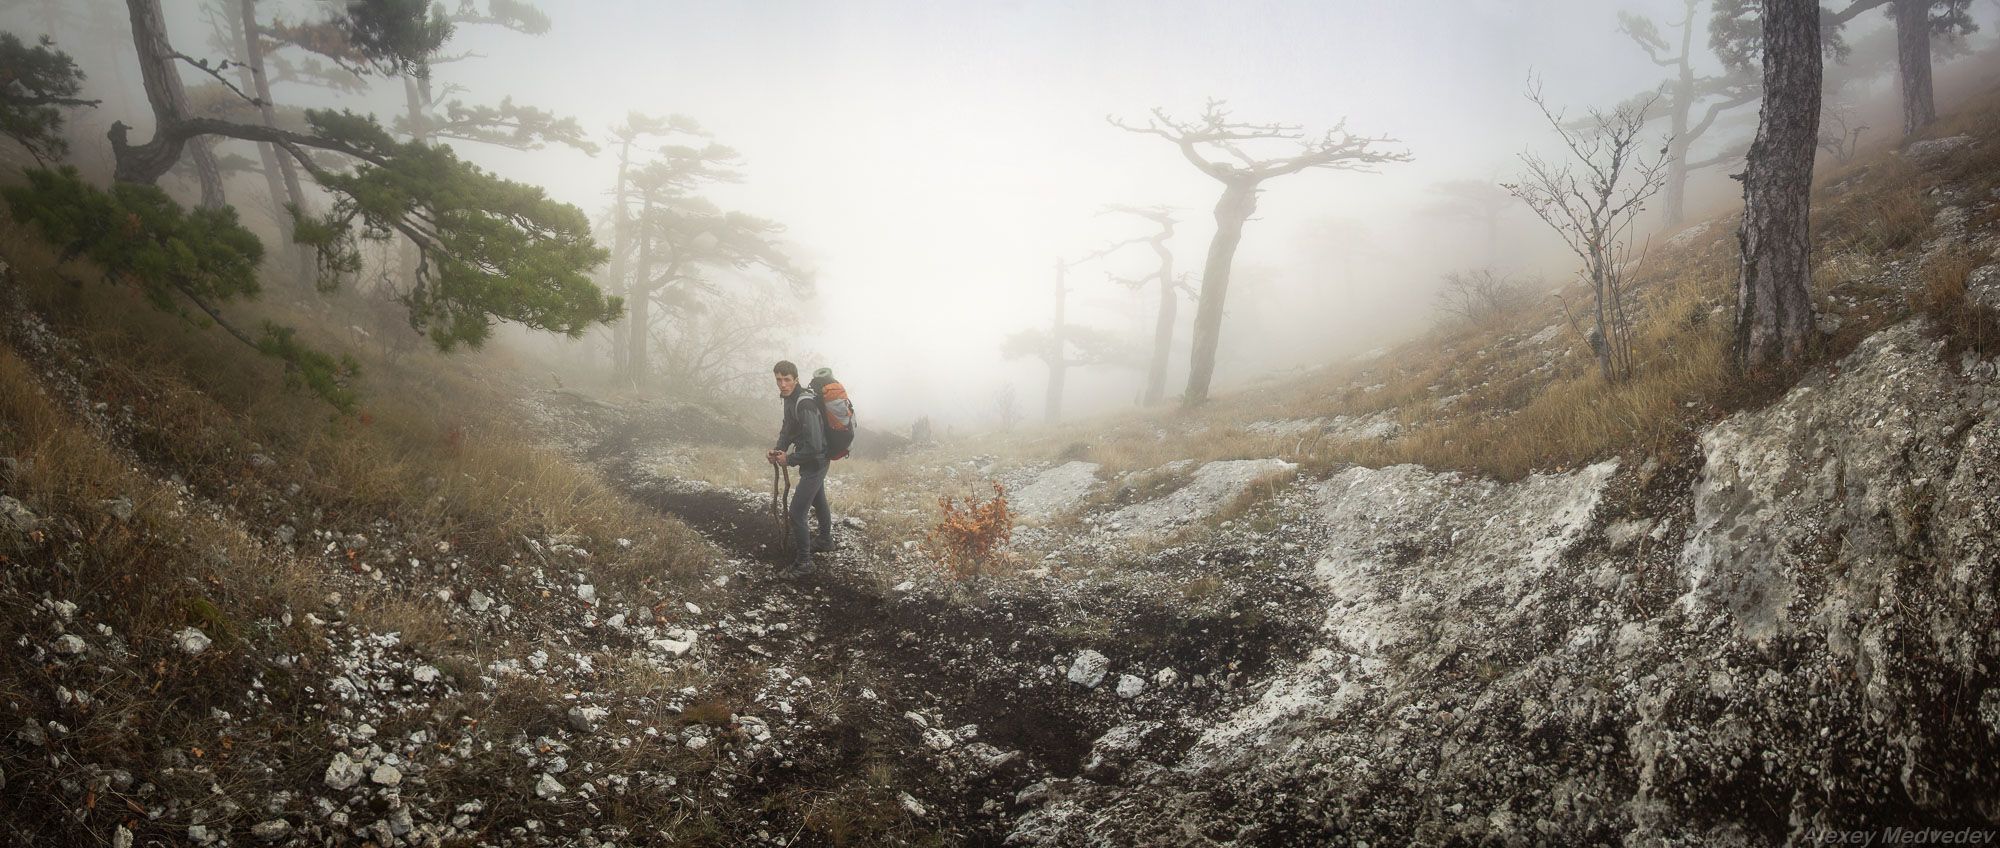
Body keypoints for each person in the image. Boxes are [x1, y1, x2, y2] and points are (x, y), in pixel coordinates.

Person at [767, 360, 833, 577]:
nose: (783, 384)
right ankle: (825, 540)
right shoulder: (789, 399)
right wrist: (778, 451)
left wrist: (791, 459)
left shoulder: (804, 404)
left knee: (796, 512)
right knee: (818, 498)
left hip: (816, 461)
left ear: (795, 379)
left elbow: (814, 446)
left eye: (787, 379)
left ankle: (804, 563)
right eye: (779, 380)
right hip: (811, 461)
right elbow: (787, 429)